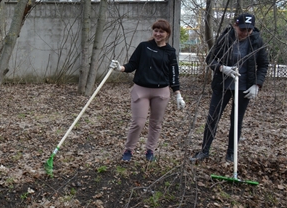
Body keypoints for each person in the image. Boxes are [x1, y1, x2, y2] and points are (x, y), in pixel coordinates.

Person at [192, 13, 269, 162]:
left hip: (244, 87)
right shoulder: (226, 38)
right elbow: (210, 58)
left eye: (249, 30)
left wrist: (257, 85)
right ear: (235, 25)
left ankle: (231, 154)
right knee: (212, 117)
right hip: (222, 84)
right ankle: (204, 151)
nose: (245, 33)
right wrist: (222, 68)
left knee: (236, 120)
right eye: (242, 29)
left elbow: (263, 64)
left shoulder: (256, 41)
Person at [110, 19, 185, 162]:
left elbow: (174, 74)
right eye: (155, 30)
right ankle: (128, 150)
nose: (158, 34)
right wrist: (120, 68)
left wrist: (178, 94)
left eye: (161, 31)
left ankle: (150, 150)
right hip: (141, 90)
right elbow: (132, 64)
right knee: (138, 122)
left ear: (167, 33)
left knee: (156, 123)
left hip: (161, 92)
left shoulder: (170, 52)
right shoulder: (144, 47)